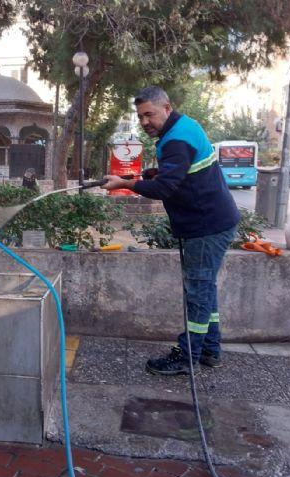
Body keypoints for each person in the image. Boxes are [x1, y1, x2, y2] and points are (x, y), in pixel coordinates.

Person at [102, 86, 240, 375]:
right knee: (205, 290)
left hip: (205, 226)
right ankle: (210, 350)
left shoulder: (176, 139)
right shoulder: (184, 126)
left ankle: (187, 356)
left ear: (167, 107)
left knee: (198, 293)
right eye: (140, 116)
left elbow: (165, 188)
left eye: (149, 114)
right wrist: (146, 174)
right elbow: (178, 172)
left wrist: (124, 184)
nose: (144, 122)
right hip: (212, 221)